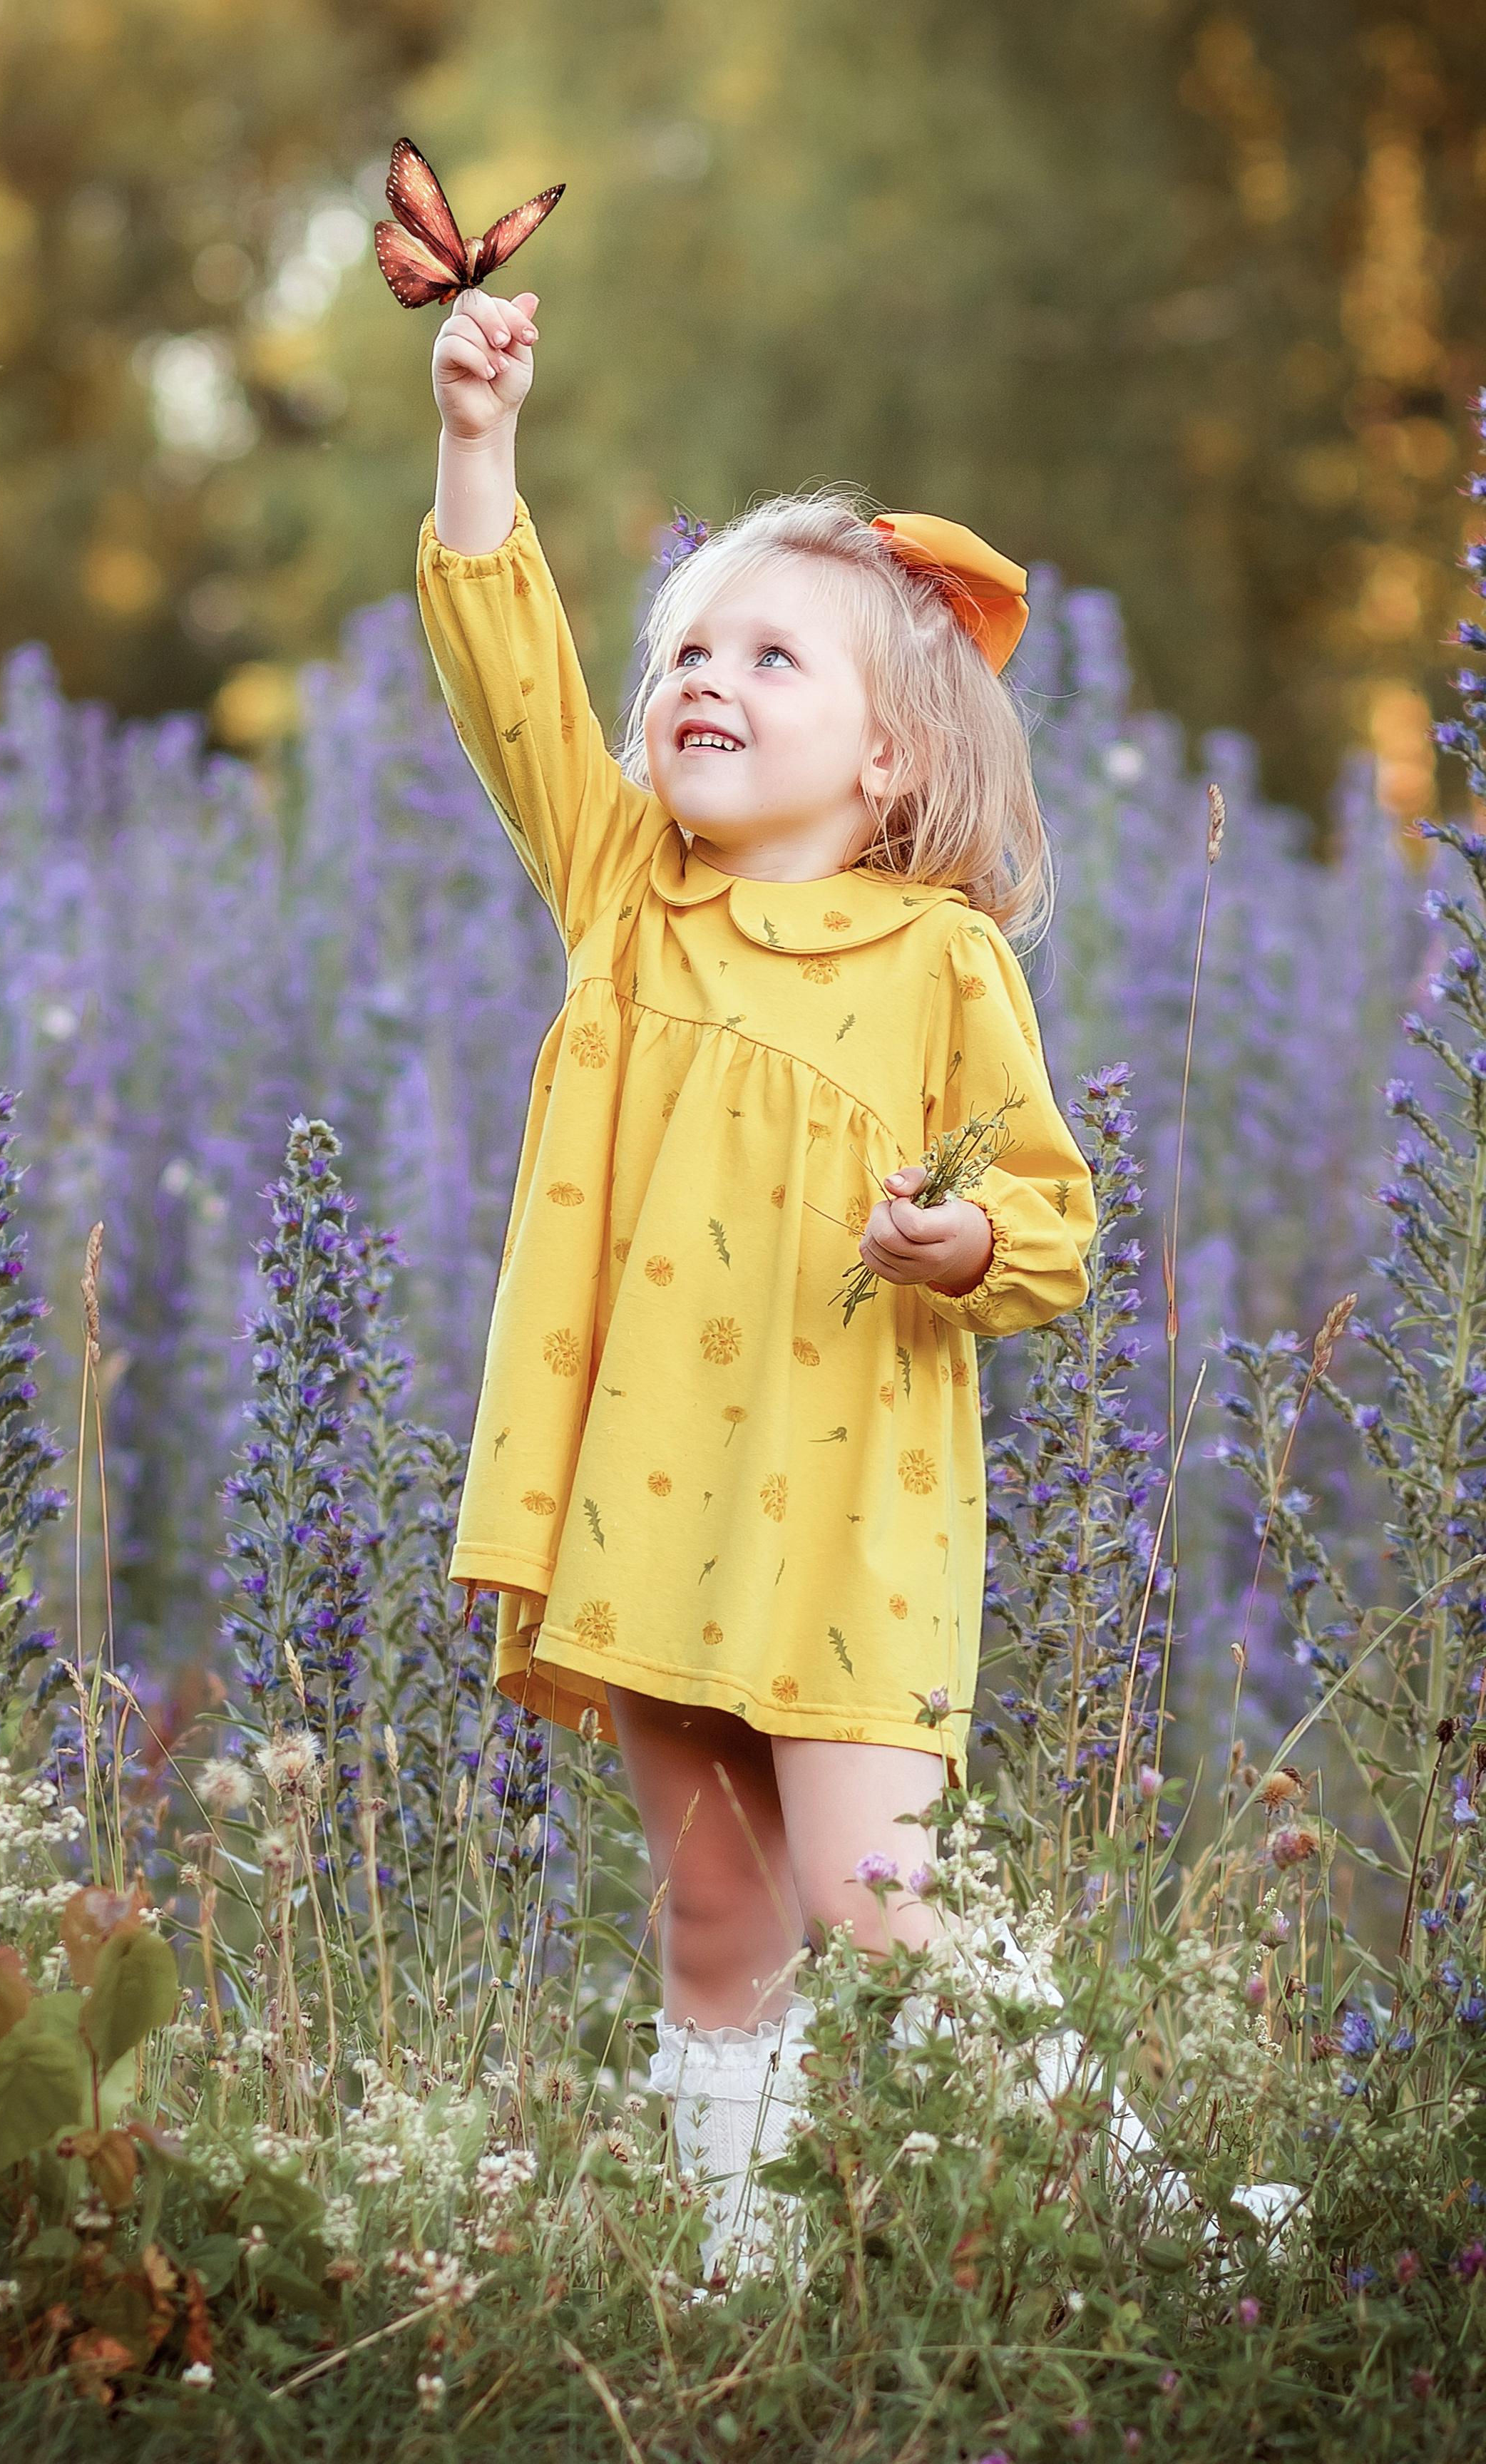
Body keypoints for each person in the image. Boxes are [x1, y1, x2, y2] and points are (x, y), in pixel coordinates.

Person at [415, 282, 1095, 2274]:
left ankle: (1151, 2215)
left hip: (850, 1518)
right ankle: (740, 2274)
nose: (703, 675)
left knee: (882, 1897)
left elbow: (1044, 1218)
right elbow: (511, 675)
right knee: (716, 1913)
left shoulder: (936, 962)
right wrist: (477, 437)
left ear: (890, 762)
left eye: (769, 653)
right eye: (686, 648)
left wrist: (952, 1236)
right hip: (649, 1505)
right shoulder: (632, 894)